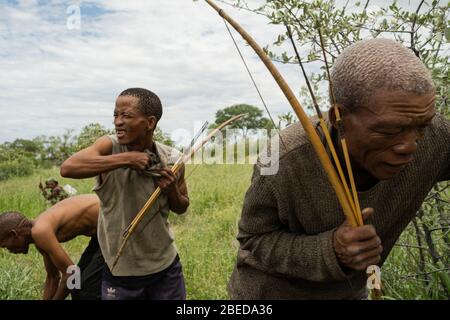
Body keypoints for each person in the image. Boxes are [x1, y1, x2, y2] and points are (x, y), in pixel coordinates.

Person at [227, 38, 449, 299]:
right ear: (339, 118)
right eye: (389, 130)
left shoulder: (434, 138)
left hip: (351, 293)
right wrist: (330, 249)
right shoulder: (281, 158)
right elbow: (254, 241)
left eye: (421, 126)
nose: (409, 146)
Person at [60, 88, 189, 300]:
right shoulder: (109, 146)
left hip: (165, 266)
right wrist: (128, 159)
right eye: (116, 115)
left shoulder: (172, 158)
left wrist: (171, 189)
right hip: (120, 268)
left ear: (149, 122)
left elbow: (182, 206)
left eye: (126, 115)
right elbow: (68, 168)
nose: (118, 122)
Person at [0, 194, 103, 300]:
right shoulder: (37, 235)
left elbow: (72, 273)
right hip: (101, 234)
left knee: (88, 288)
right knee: (77, 288)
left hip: (114, 223)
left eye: (5, 246)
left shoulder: (40, 231)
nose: (9, 250)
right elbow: (53, 277)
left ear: (14, 234)